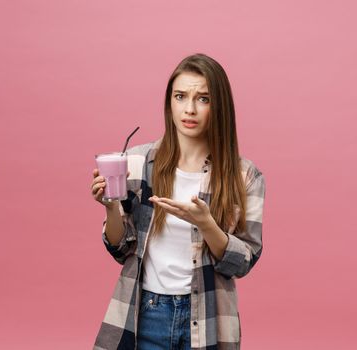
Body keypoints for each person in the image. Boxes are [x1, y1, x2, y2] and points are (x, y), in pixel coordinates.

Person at [91, 53, 266, 350]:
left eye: (203, 99)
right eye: (180, 96)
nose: (189, 109)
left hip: (208, 318)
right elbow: (121, 249)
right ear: (169, 102)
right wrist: (110, 206)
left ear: (219, 106)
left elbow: (244, 260)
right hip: (145, 314)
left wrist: (206, 223)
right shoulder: (136, 162)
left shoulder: (243, 175)